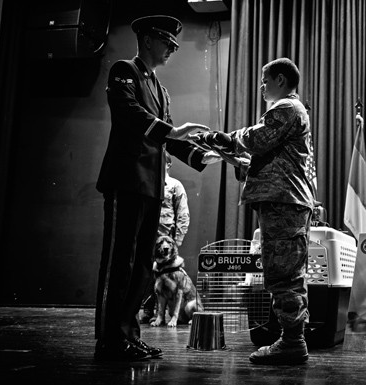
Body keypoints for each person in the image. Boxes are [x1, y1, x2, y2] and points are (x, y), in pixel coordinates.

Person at [94, 15, 211, 361]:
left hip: (151, 188)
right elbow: (129, 112)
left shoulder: (161, 90)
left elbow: (171, 138)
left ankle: (128, 336)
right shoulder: (123, 71)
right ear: (147, 39)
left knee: (144, 268)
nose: (173, 49)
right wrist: (171, 133)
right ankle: (109, 341)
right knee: (119, 264)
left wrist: (209, 157)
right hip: (126, 182)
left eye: (176, 45)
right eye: (168, 43)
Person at [194, 58, 315, 365]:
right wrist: (231, 155)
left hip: (284, 204)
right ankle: (292, 338)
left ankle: (291, 342)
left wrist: (223, 138)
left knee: (283, 274)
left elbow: (255, 139)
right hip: (285, 202)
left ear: (280, 79)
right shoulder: (288, 111)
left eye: (265, 80)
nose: (262, 86)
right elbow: (263, 157)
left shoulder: (286, 107)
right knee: (284, 272)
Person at [139, 151, 190, 323]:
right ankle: (148, 310)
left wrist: (177, 241)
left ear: (168, 165)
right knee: (146, 274)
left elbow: (183, 214)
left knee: (168, 278)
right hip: (148, 238)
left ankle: (169, 314)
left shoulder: (175, 185)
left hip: (166, 241)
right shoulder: (147, 183)